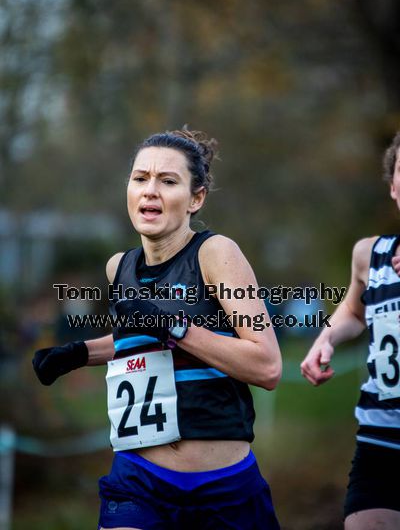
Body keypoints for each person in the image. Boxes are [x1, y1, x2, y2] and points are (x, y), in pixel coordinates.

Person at [33, 128, 282, 530]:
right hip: (139, 480)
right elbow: (139, 338)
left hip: (222, 487)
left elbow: (267, 366)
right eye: (140, 178)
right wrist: (80, 353)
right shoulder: (120, 267)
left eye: (168, 181)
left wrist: (175, 327)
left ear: (195, 199)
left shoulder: (215, 254)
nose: (150, 191)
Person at [300, 132, 400, 530]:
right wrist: (325, 338)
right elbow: (354, 311)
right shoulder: (370, 255)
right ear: (393, 186)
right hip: (381, 434)